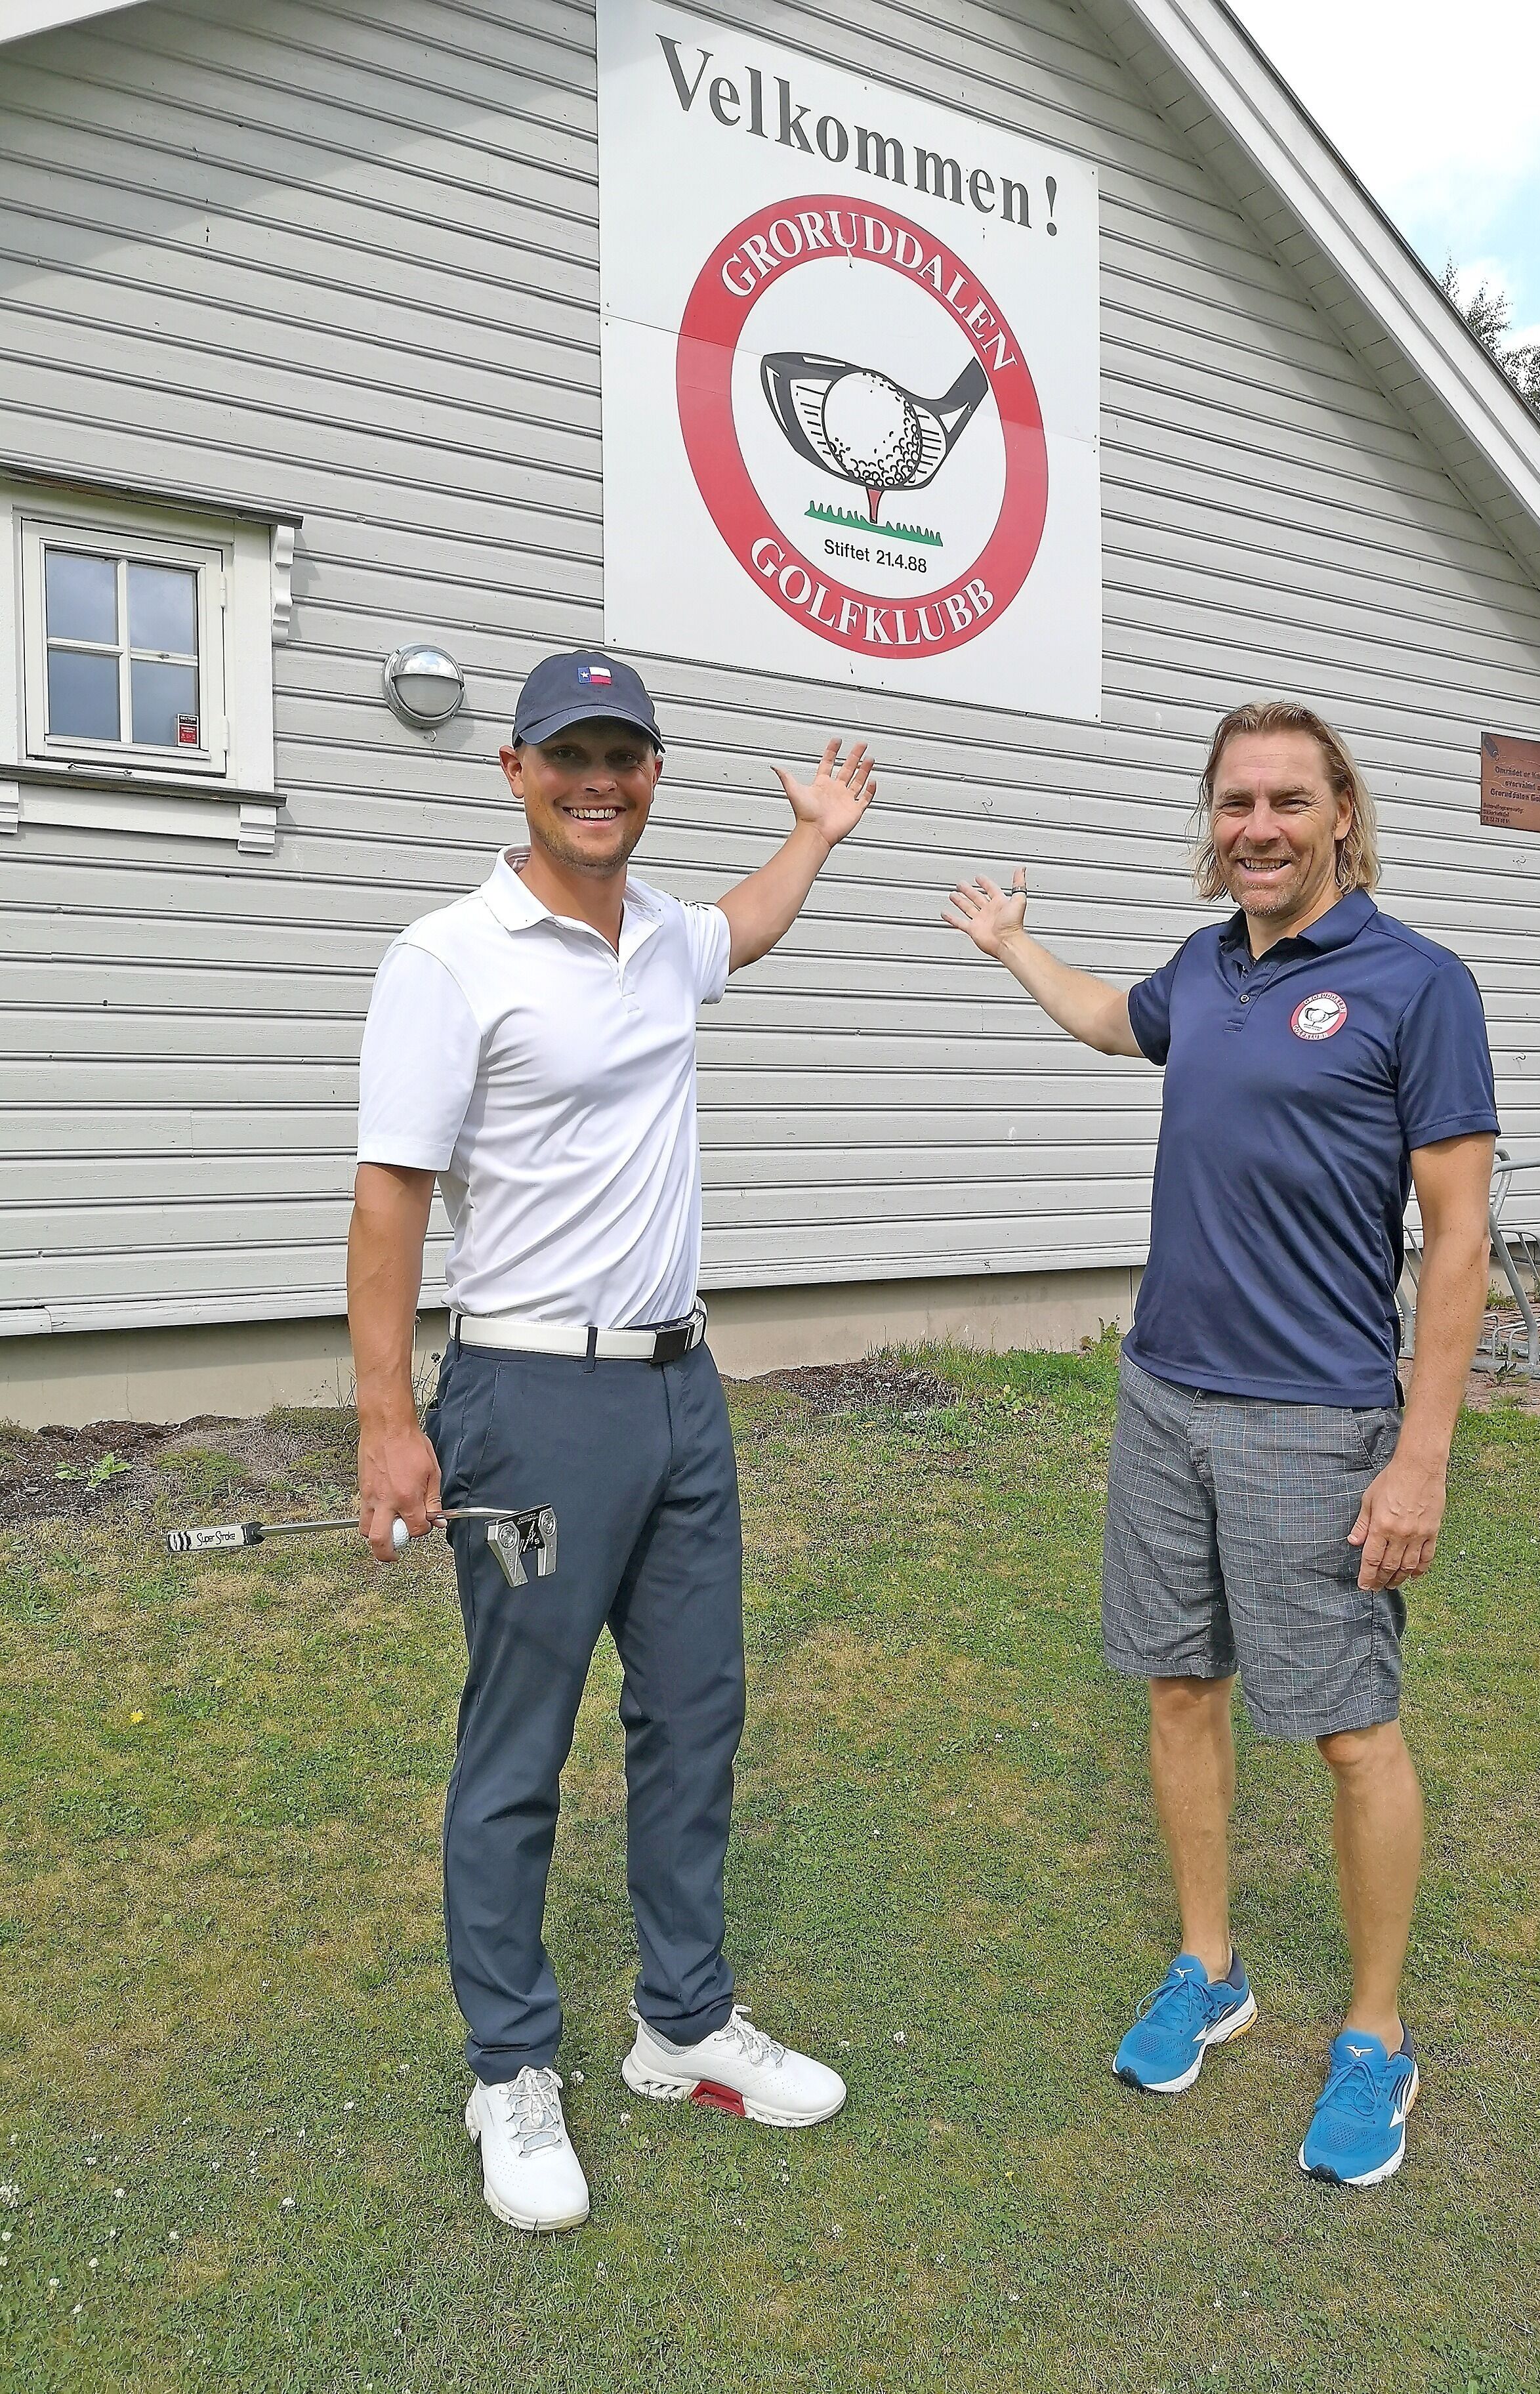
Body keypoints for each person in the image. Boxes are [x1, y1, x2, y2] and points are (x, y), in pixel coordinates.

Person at [350, 651, 873, 2231]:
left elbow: (746, 926)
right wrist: (388, 1421)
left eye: (624, 757)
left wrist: (816, 834)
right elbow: (392, 1197)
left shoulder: (661, 937)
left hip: (677, 1390)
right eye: (570, 755)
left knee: (695, 1713)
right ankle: (509, 2067)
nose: (599, 782)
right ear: (514, 769)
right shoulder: (450, 958)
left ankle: (681, 2022)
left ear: (653, 775)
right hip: (530, 1400)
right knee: (519, 1744)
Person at [943, 698, 1496, 2188]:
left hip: (1317, 1418)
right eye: (1236, 802)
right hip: (1164, 1397)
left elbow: (1458, 1241)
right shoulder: (1203, 969)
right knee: (1181, 1688)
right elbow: (1111, 1019)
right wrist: (1012, 949)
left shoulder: (1417, 984)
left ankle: (1376, 2037)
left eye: (1287, 801)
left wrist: (1423, 1454)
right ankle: (1211, 1967)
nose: (1259, 826)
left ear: (1340, 815)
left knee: (1349, 1729)